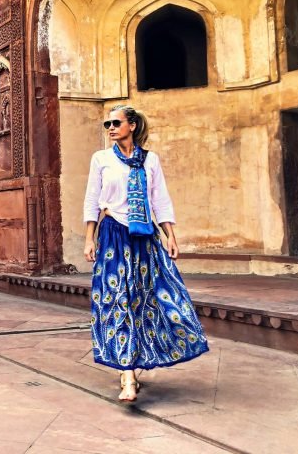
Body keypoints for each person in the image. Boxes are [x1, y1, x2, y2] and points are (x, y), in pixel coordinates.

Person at [83, 104, 208, 402]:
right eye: (107, 124)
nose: (111, 128)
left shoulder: (150, 161)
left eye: (116, 122)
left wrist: (170, 236)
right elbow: (92, 200)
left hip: (146, 237)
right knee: (118, 299)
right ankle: (127, 375)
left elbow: (160, 199)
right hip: (113, 234)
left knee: (151, 298)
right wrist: (89, 238)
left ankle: (136, 359)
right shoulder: (101, 159)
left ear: (133, 126)